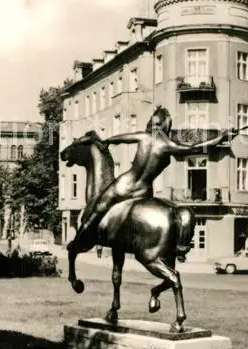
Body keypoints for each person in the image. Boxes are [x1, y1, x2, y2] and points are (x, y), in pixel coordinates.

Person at [72, 106, 236, 250]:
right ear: (166, 125)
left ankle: (80, 240)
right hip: (143, 191)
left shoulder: (143, 136)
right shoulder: (168, 145)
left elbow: (120, 138)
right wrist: (223, 137)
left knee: (96, 212)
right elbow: (195, 147)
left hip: (124, 185)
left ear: (152, 122)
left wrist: (106, 142)